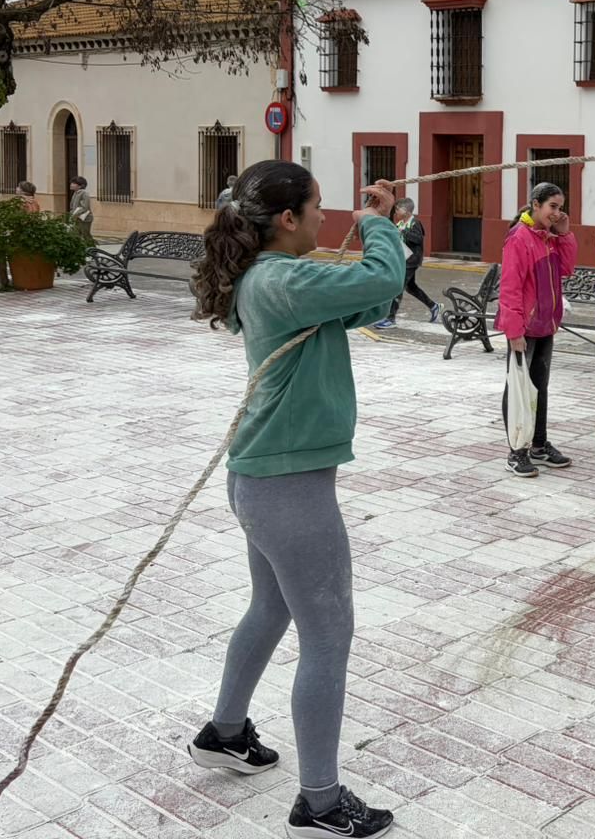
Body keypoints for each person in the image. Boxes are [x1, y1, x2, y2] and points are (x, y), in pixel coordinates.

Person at [185, 160, 403, 838]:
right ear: (287, 220)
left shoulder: (277, 277)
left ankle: (223, 732)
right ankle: (320, 802)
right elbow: (382, 277)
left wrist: (389, 232)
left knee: (274, 606)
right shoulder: (280, 278)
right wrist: (378, 229)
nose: (324, 218)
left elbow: (372, 299)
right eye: (316, 208)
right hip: (287, 490)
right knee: (329, 632)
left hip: (266, 480)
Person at [496, 181, 577, 478]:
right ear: (535, 204)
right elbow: (511, 287)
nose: (556, 213)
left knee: (539, 385)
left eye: (560, 207)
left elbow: (567, 268)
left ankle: (539, 445)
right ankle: (517, 451)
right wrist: (514, 330)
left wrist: (565, 232)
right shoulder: (520, 238)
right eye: (552, 207)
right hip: (524, 327)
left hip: (546, 325)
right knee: (518, 388)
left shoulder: (549, 238)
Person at [375, 198, 439, 330]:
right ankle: (433, 306)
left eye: (398, 209)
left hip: (411, 261)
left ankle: (390, 318)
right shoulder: (400, 223)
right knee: (411, 287)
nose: (396, 211)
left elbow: (418, 239)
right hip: (402, 260)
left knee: (398, 286)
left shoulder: (415, 223)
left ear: (406, 211)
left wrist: (402, 232)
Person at [68, 175, 94, 242]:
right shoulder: (75, 193)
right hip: (77, 218)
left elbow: (85, 207)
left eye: (74, 183)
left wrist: (74, 215)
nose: (71, 185)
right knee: (76, 235)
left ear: (80, 186)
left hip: (85, 218)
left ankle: (92, 250)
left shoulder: (84, 193)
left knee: (86, 235)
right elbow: (72, 206)